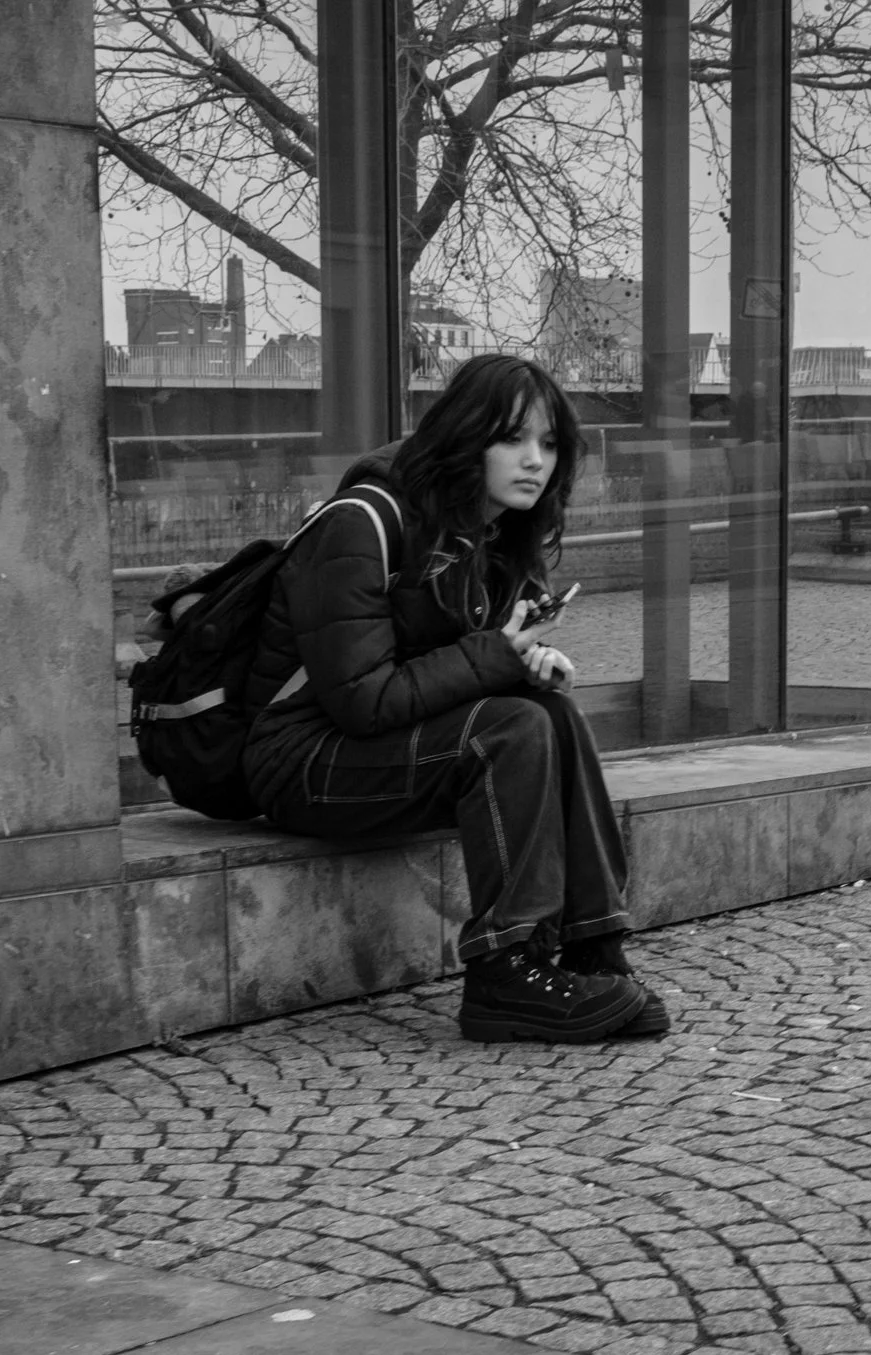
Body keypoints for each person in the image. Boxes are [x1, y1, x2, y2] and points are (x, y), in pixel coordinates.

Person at [240, 353, 669, 1043]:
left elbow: (442, 674)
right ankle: (506, 968)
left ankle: (593, 942)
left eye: (550, 443)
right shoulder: (362, 523)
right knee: (509, 730)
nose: (536, 460)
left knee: (549, 713)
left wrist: (517, 662)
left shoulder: (489, 536)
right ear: (467, 438)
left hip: (374, 750)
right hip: (298, 756)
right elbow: (363, 700)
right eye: (513, 439)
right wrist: (495, 654)